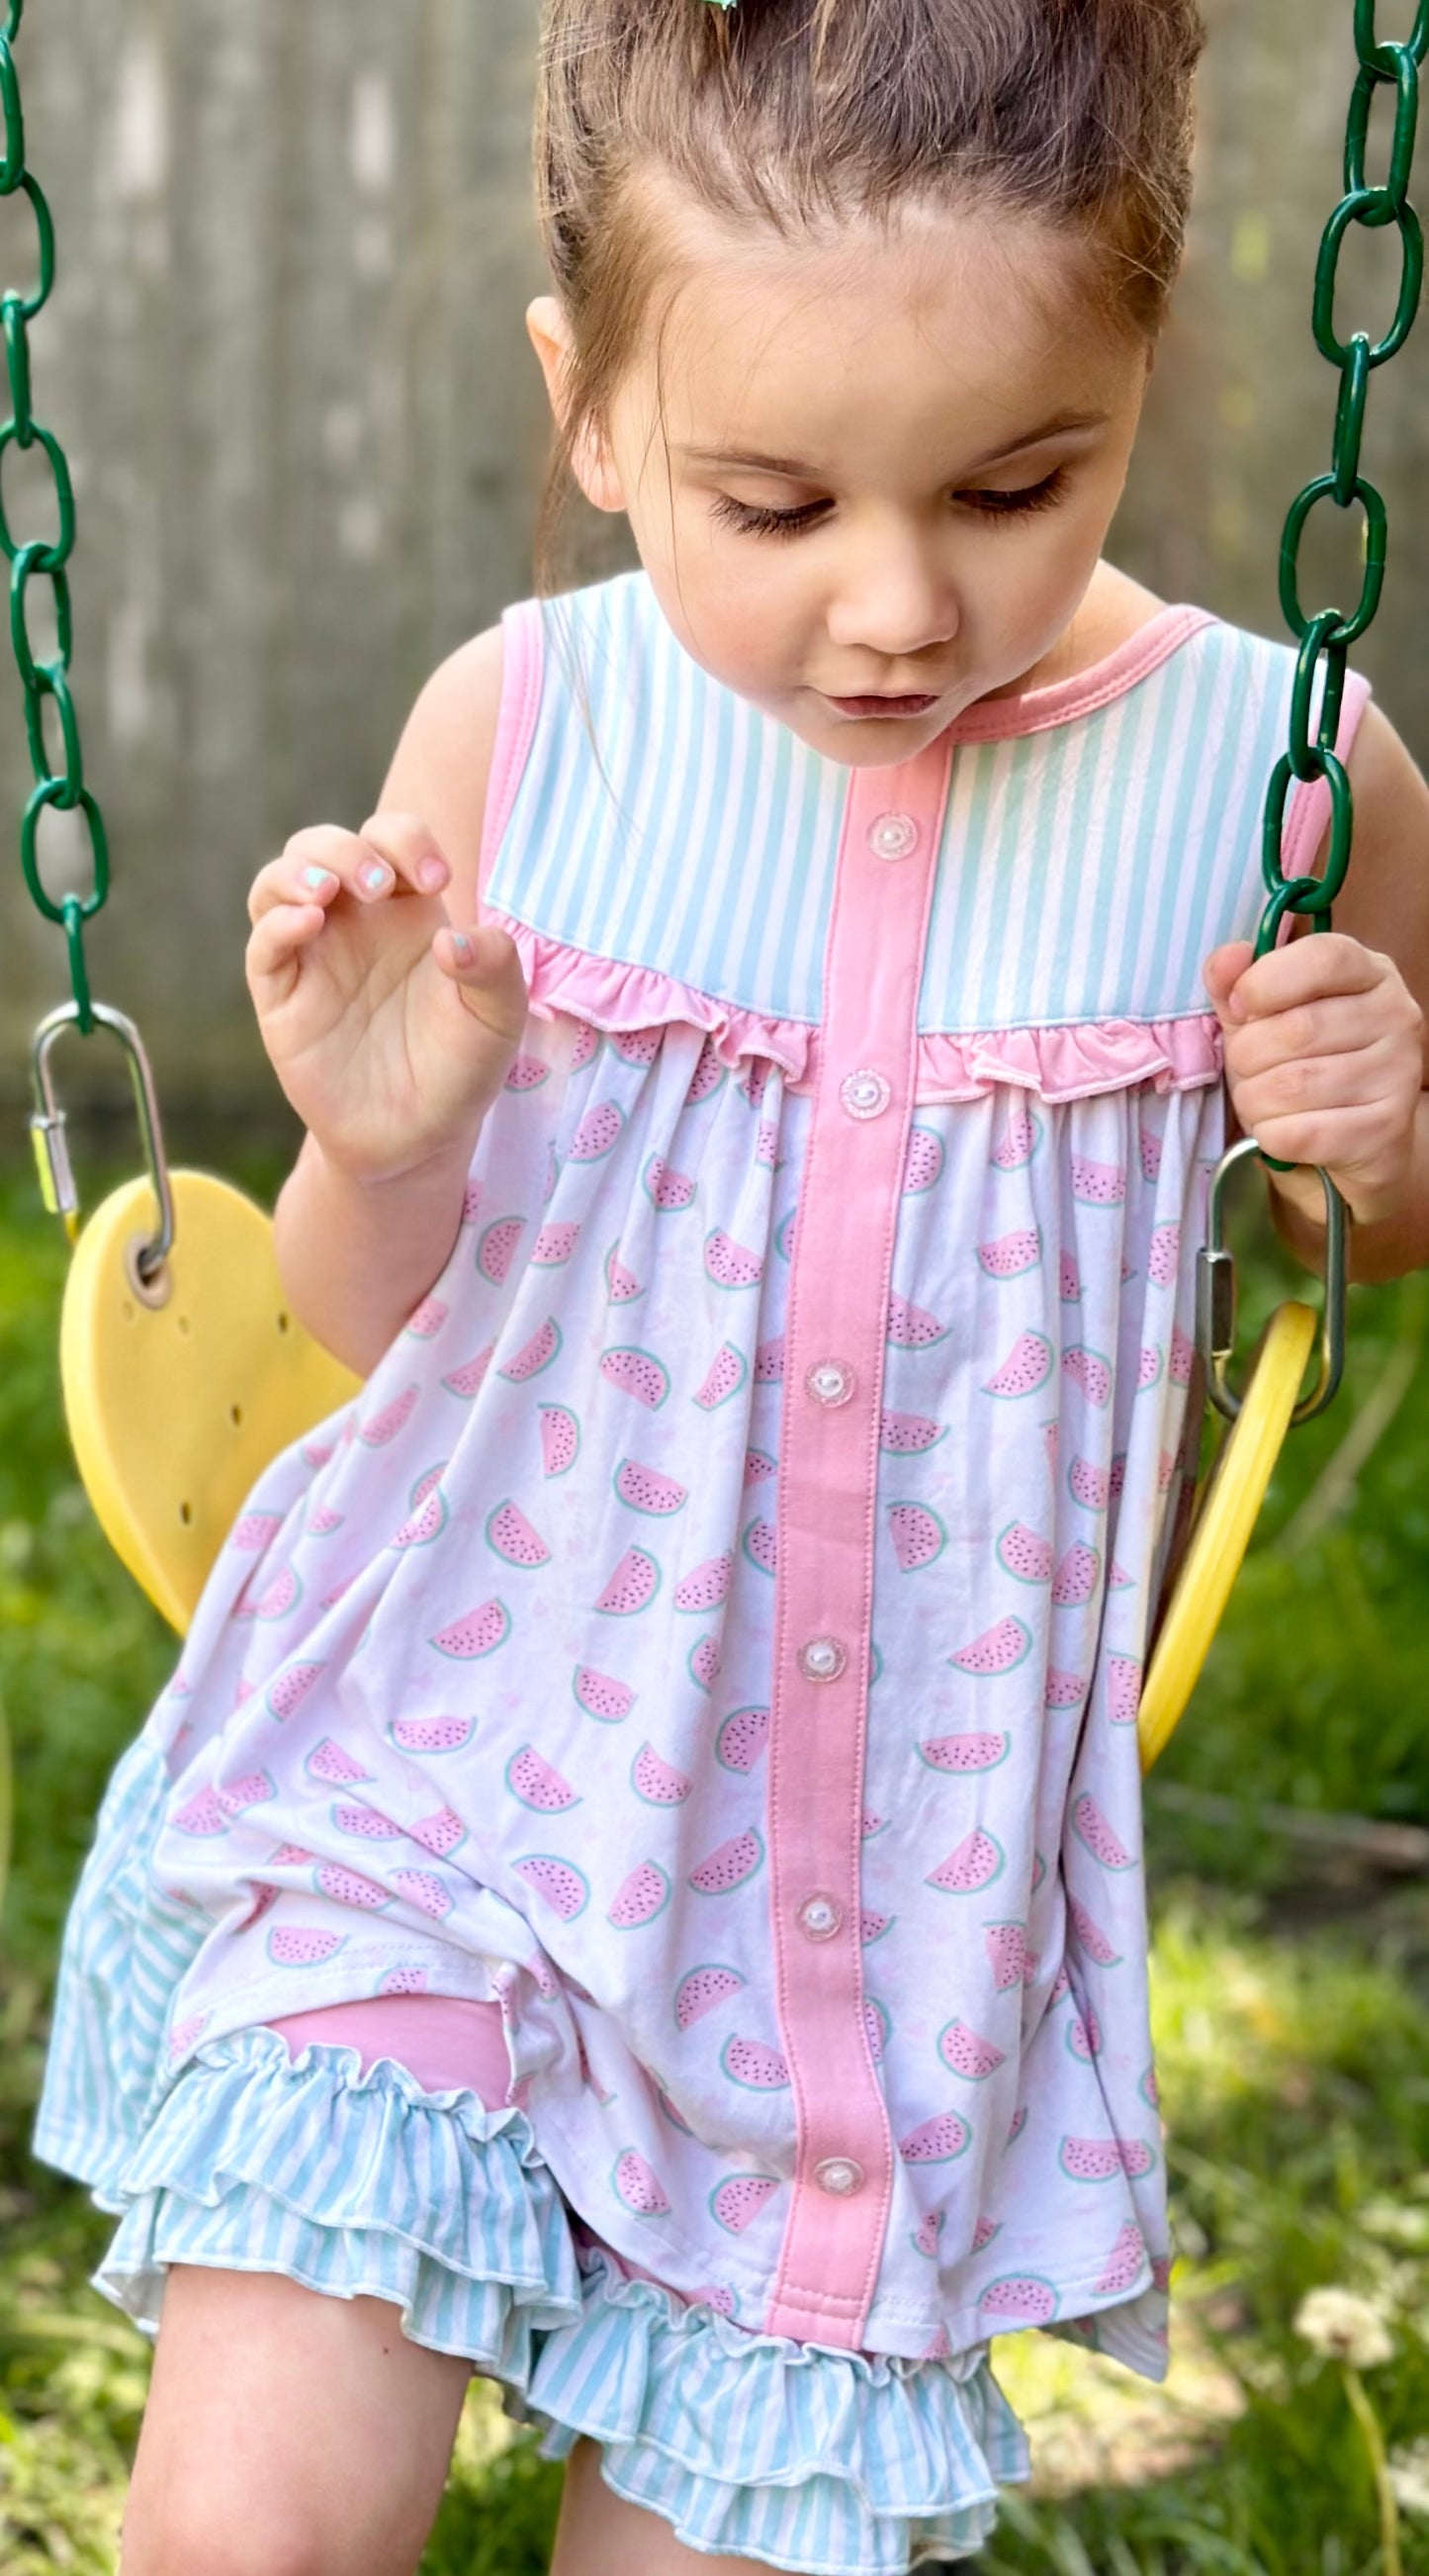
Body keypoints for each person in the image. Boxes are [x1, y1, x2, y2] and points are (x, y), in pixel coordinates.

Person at [34, 0, 1429, 2567]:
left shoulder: (1283, 775)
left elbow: (1380, 1207)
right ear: (588, 404)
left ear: (1144, 365)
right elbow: (364, 1307)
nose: (896, 603)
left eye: (1018, 481)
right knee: (255, 2514)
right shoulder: (533, 719)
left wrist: (1378, 1126)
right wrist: (380, 1132)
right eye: (771, 498)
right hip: (438, 1771)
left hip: (875, 1916)